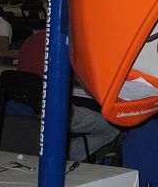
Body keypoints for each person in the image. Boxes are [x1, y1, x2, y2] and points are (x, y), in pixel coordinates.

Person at [18, 31, 119, 161]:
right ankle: (67, 155)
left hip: (25, 114)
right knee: (112, 128)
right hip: (57, 113)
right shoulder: (67, 43)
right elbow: (88, 87)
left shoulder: (29, 41)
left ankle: (58, 153)